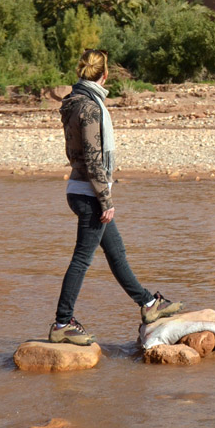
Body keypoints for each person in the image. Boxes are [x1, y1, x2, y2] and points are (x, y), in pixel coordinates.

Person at [50, 49, 182, 345]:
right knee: (82, 260)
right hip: (90, 194)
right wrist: (105, 200)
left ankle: (149, 304)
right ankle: (61, 323)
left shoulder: (72, 102)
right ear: (105, 75)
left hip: (79, 188)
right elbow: (95, 159)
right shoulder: (92, 108)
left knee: (116, 252)